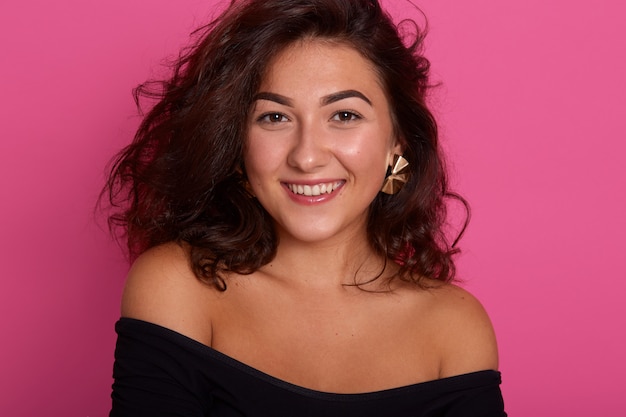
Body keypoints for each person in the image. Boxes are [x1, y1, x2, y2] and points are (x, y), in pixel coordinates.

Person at [105, 0, 506, 415]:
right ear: (238, 145)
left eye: (345, 115)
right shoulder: (178, 288)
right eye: (274, 117)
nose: (307, 156)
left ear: (397, 142)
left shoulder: (454, 329)